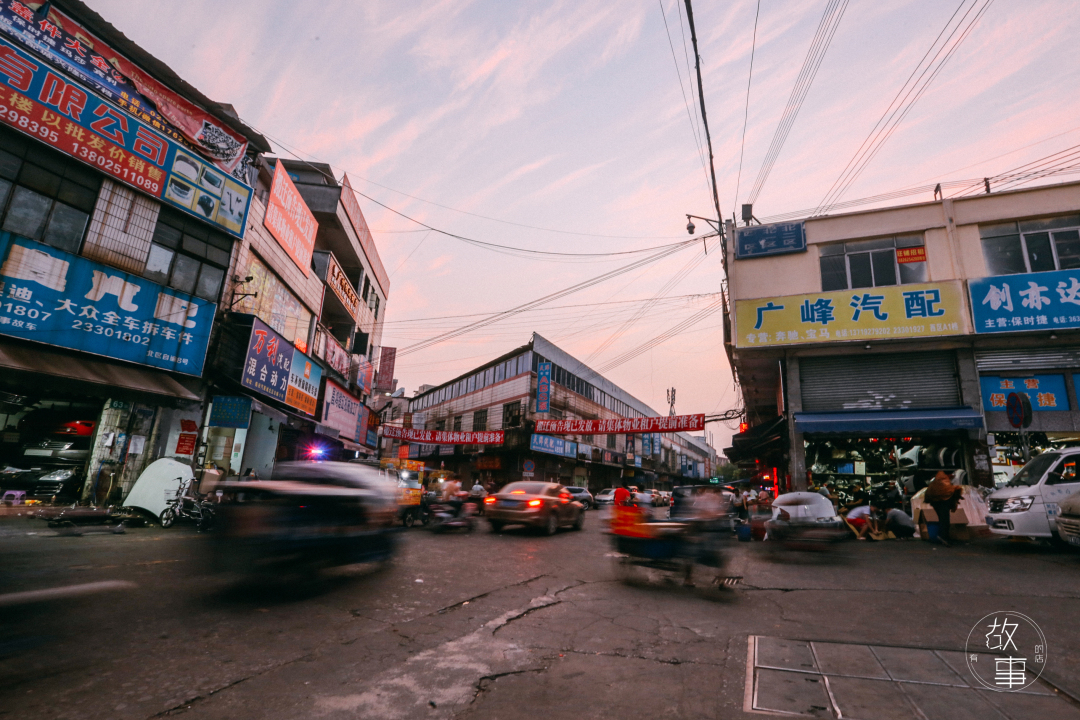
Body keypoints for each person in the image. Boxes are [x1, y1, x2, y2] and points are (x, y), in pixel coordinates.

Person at [925, 471, 962, 546]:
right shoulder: (944, 483)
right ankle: (943, 536)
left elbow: (929, 495)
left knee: (942, 519)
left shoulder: (934, 485)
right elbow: (949, 492)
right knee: (945, 520)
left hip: (936, 503)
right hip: (943, 504)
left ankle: (942, 536)